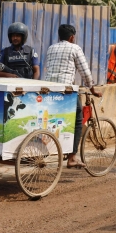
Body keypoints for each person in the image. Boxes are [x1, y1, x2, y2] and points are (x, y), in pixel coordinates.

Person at [44, 24, 95, 168]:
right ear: (72, 37)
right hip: (66, 92)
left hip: (49, 91)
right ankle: (72, 156)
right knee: (78, 119)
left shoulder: (51, 48)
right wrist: (93, 88)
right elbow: (84, 72)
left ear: (59, 36)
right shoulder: (75, 48)